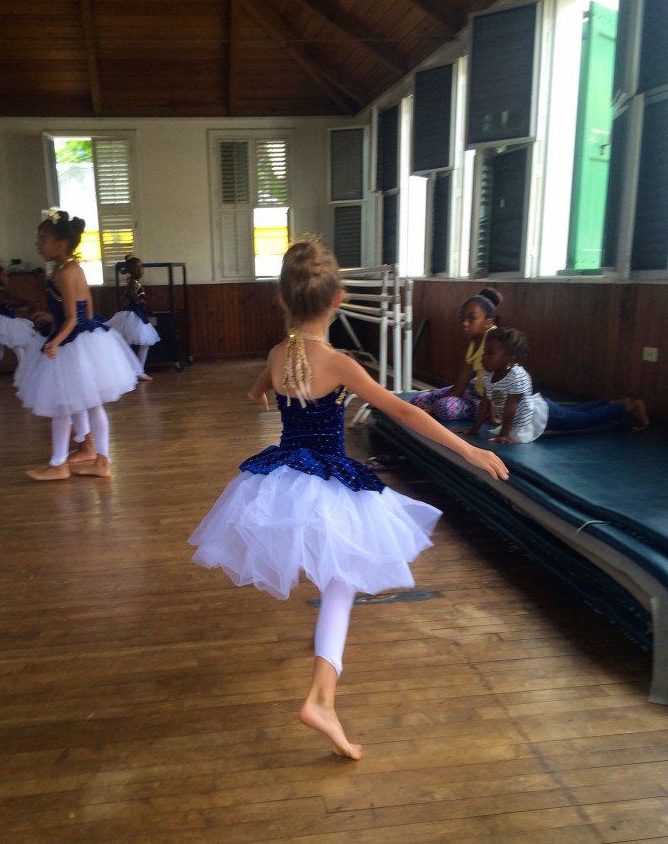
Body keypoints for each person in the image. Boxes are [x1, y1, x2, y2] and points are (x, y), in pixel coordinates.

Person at [189, 240, 509, 760]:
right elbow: (402, 412)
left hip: (286, 476)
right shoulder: (337, 363)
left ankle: (323, 688)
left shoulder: (278, 355)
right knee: (342, 581)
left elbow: (262, 383)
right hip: (328, 480)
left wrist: (259, 393)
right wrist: (467, 448)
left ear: (281, 301)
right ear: (338, 299)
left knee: (335, 572)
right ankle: (321, 697)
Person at [16, 209, 142, 481]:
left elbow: (74, 318)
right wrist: (53, 317)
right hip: (82, 338)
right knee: (88, 405)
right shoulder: (67, 268)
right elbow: (84, 309)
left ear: (61, 244)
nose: (38, 244)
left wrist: (56, 342)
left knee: (62, 405)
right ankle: (100, 460)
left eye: (43, 239)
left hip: (72, 342)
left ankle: (60, 464)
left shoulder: (65, 272)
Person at [463, 327, 649, 443]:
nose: (483, 356)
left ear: (509, 360)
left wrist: (504, 435)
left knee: (584, 420)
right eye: (485, 351)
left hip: (540, 416)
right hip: (535, 409)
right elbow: (486, 402)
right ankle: (616, 402)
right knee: (580, 411)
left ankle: (629, 406)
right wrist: (474, 429)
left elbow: (510, 409)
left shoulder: (516, 376)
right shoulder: (488, 372)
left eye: (490, 353)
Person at [408, 287, 502, 420]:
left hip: (489, 401)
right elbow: (460, 385)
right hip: (474, 389)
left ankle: (482, 412)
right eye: (462, 318)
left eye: (471, 319)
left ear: (488, 323)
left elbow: (499, 385)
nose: (464, 323)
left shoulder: (495, 342)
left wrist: (430, 410)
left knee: (443, 408)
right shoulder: (475, 340)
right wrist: (430, 407)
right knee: (419, 400)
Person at [106, 254, 160, 381]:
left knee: (141, 343)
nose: (142, 270)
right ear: (134, 269)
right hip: (133, 315)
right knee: (134, 343)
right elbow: (132, 295)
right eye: (139, 267)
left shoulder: (134, 282)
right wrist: (140, 301)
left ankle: (137, 370)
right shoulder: (132, 282)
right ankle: (133, 370)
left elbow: (127, 295)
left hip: (138, 314)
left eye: (141, 267)